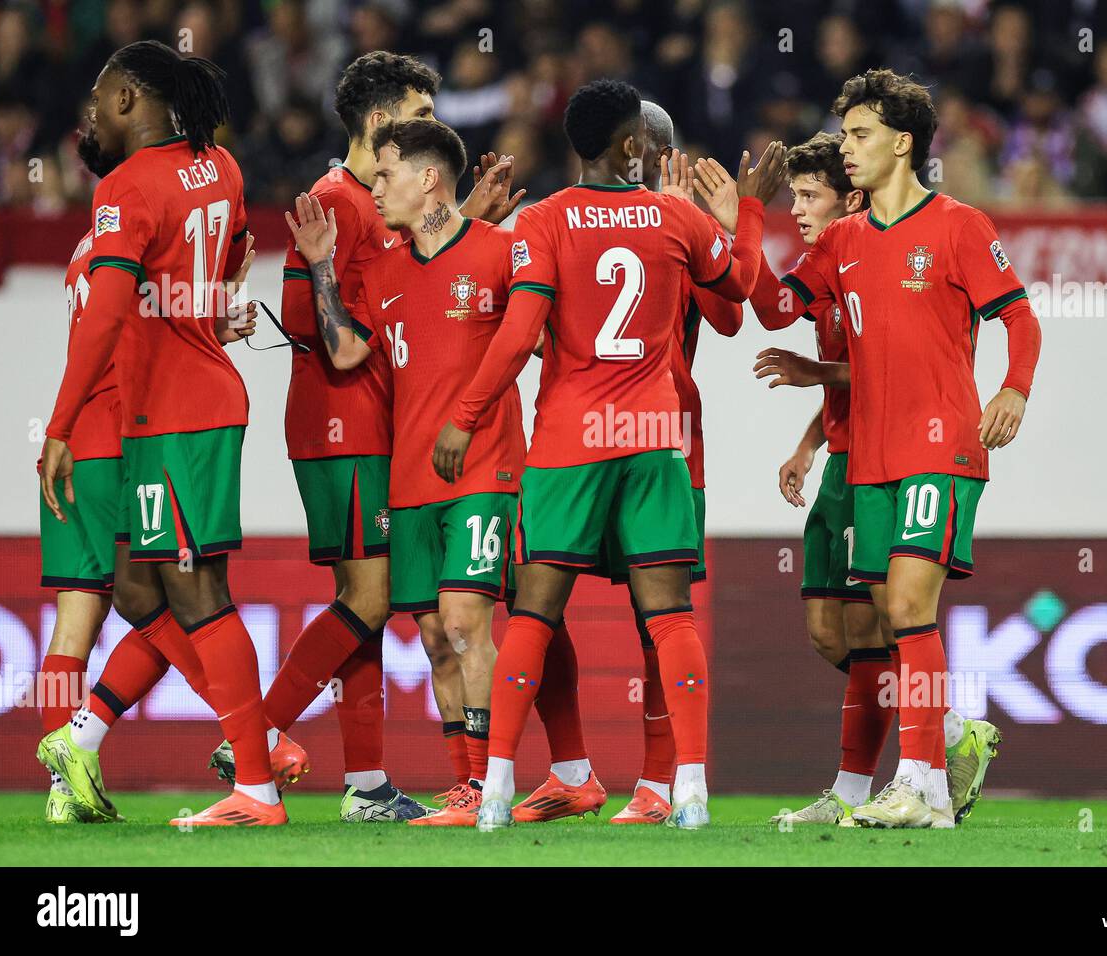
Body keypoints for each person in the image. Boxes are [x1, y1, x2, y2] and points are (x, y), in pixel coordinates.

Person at [432, 78, 784, 830]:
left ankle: (497, 785)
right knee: (669, 616)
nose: (661, 156)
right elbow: (743, 288)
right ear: (635, 148)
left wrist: (465, 415)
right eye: (653, 146)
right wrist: (742, 215)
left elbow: (521, 331)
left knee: (533, 609)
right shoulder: (672, 219)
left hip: (569, 441)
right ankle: (688, 787)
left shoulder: (545, 220)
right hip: (659, 437)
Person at [751, 69, 1039, 828]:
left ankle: (921, 785)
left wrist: (1013, 389)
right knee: (886, 620)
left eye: (860, 135)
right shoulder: (843, 238)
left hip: (940, 447)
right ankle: (933, 779)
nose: (846, 148)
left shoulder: (959, 226)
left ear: (903, 142)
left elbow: (1020, 318)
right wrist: (741, 220)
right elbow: (776, 309)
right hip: (868, 460)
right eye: (845, 134)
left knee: (910, 607)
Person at [38, 40, 283, 827]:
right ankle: (84, 739)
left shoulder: (128, 185)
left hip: (174, 414)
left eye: (104, 95)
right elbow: (233, 247)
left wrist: (61, 424)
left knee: (197, 591)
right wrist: (207, 311)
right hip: (189, 404)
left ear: (129, 101)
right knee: (146, 587)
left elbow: (107, 312)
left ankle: (257, 782)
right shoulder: (221, 166)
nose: (96, 112)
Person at [285, 117, 526, 826]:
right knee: (430, 635)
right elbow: (347, 354)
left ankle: (491, 788)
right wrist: (322, 266)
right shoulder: (381, 270)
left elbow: (538, 339)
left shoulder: (500, 255)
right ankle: (464, 787)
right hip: (410, 478)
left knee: (462, 622)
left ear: (428, 180)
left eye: (385, 174)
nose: (375, 186)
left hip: (483, 467)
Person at [512, 99, 744, 826]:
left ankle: (656, 783)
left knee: (646, 618)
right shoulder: (653, 223)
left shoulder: (665, 223)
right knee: (552, 603)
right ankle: (574, 768)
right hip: (645, 431)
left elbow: (732, 314)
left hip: (645, 434)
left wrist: (714, 227)